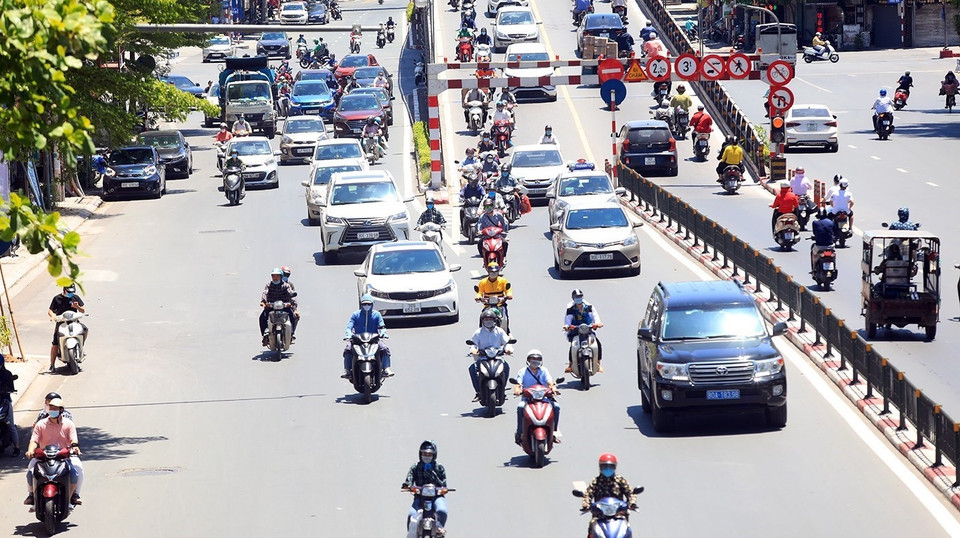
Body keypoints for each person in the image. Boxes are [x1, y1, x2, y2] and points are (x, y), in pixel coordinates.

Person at [24, 397, 81, 507]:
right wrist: (30, 450)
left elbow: (73, 439)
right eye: (51, 407)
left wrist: (75, 447)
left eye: (55, 408)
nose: (52, 410)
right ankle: (31, 495)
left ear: (61, 410)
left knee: (77, 470)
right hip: (43, 456)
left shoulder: (68, 424)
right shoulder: (41, 424)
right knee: (31, 471)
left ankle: (72, 497)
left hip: (64, 456)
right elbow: (34, 441)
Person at [580, 453, 638, 534]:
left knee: (627, 530)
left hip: (619, 515)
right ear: (600, 467)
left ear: (615, 467)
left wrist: (632, 503)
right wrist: (586, 505)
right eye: (605, 467)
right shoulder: (596, 481)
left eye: (610, 467)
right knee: (592, 529)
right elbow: (588, 494)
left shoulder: (620, 480)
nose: (608, 469)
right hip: (599, 515)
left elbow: (630, 492)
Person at [513, 350, 560, 445]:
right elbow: (518, 384)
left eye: (538, 359)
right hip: (528, 399)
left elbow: (550, 382)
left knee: (556, 407)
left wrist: (553, 389)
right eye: (533, 359)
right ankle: (519, 432)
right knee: (520, 407)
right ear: (528, 360)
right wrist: (517, 391)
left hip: (544, 399)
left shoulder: (544, 370)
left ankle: (553, 432)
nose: (535, 361)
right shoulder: (522, 372)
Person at [342, 294, 393, 378]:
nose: (366, 306)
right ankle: (348, 371)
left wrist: (383, 333)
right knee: (348, 349)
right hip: (357, 339)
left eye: (369, 304)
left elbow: (382, 326)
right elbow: (349, 327)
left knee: (384, 349)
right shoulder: (355, 315)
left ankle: (386, 369)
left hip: (374, 339)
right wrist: (348, 335)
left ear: (372, 304)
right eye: (364, 304)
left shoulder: (377, 315)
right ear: (361, 304)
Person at [402, 441, 448, 532]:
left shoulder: (440, 468)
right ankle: (411, 533)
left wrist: (432, 475)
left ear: (434, 455)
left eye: (429, 454)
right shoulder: (415, 467)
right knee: (411, 514)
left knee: (442, 510)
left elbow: (443, 484)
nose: (426, 456)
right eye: (424, 453)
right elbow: (409, 479)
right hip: (420, 497)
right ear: (420, 454)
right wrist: (408, 485)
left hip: (437, 496)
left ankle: (439, 529)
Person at [468, 308, 512, 401]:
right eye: (486, 319)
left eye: (490, 319)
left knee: (506, 367)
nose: (488, 321)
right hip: (483, 358)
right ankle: (478, 392)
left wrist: (508, 349)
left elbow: (506, 343)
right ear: (482, 320)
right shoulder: (478, 332)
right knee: (472, 368)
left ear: (494, 320)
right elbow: (473, 344)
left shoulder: (500, 331)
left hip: (498, 357)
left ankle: (502, 389)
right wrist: (473, 350)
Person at [48, 285, 87, 374]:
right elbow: (50, 311)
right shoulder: (57, 298)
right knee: (55, 343)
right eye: (69, 292)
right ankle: (52, 365)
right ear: (64, 290)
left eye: (72, 292)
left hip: (74, 321)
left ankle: (81, 346)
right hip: (61, 323)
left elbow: (83, 310)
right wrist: (53, 316)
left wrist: (77, 307)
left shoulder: (75, 297)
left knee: (84, 330)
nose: (70, 294)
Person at [563, 289, 603, 373]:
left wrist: (597, 323)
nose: (578, 298)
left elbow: (594, 316)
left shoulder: (588, 307)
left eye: (580, 296)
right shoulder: (570, 309)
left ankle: (598, 364)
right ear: (573, 298)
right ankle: (570, 365)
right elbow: (568, 320)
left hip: (587, 329)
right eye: (576, 297)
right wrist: (567, 326)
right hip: (575, 330)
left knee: (598, 344)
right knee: (573, 346)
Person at [259, 268, 297, 346]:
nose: (275, 278)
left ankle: (291, 334)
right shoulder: (269, 285)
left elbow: (290, 292)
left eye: (277, 276)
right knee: (262, 317)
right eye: (273, 276)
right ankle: (265, 336)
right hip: (271, 306)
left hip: (284, 306)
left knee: (293, 316)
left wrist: (291, 300)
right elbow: (265, 293)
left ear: (280, 277)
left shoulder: (286, 285)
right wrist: (263, 302)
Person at [0, 360, 19, 457]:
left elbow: (11, 387)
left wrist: (7, 390)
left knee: (11, 425)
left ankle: (17, 447)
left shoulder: (7, 374)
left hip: (5, 401)